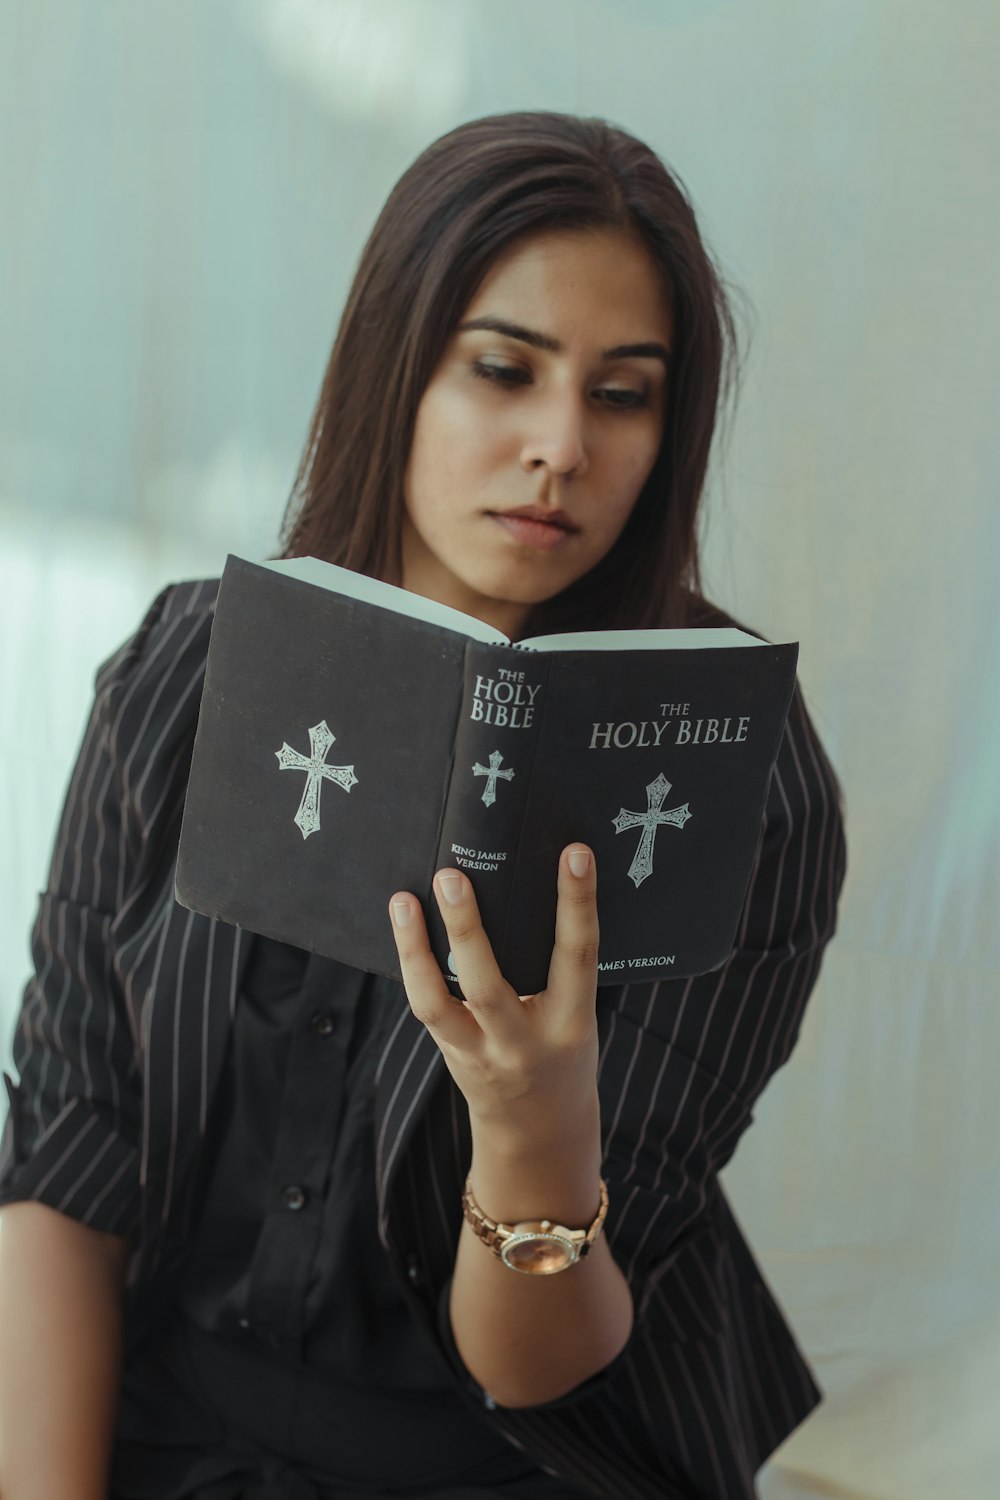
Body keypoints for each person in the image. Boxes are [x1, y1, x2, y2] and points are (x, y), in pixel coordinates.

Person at [0, 111, 846, 1500]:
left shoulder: (725, 775)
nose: (560, 447)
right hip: (154, 1421)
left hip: (521, 1459)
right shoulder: (185, 672)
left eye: (623, 394)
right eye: (504, 370)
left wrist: (532, 1128)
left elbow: (537, 1367)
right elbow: (70, 1156)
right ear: (398, 363)